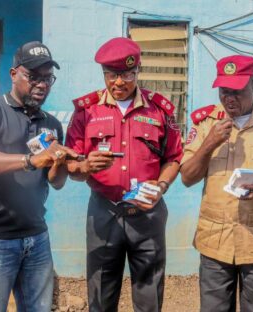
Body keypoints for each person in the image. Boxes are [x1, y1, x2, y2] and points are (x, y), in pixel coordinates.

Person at [65, 37, 183, 312]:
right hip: (104, 213)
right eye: (112, 75)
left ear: (137, 72)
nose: (119, 82)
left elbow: (175, 157)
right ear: (104, 74)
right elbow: (70, 164)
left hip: (148, 215)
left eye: (127, 75)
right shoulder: (86, 111)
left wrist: (161, 186)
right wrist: (84, 167)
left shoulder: (161, 110)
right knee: (101, 294)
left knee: (149, 297)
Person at [0, 41, 76, 312]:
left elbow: (56, 182)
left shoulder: (51, 123)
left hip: (37, 238)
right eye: (34, 76)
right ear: (14, 74)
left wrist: (59, 161)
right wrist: (31, 160)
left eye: (47, 78)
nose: (42, 84)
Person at [180, 55, 253, 312]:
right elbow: (187, 177)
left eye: (237, 91)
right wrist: (209, 143)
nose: (229, 98)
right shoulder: (206, 123)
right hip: (215, 241)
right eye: (224, 91)